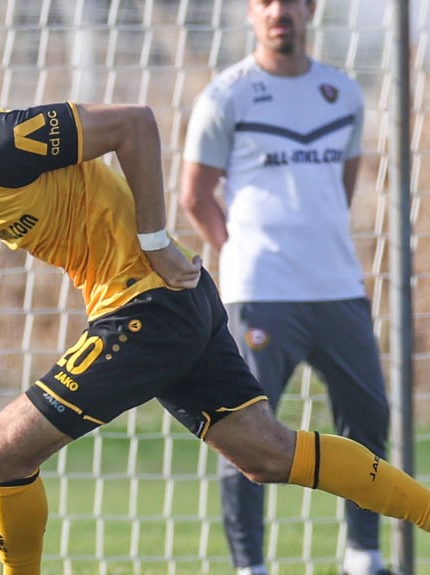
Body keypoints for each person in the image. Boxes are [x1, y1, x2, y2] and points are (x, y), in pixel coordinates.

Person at [0, 60, 430, 575]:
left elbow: (135, 123)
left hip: (145, 306)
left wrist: (156, 239)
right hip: (171, 305)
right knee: (268, 454)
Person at [179, 1, 392, 574]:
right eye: (266, 1)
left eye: (292, 1)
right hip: (261, 293)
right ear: (252, 13)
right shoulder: (226, 96)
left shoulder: (342, 93)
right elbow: (194, 195)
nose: (280, 12)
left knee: (369, 418)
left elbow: (341, 187)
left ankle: (363, 555)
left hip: (337, 288)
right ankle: (251, 566)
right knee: (246, 432)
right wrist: (241, 253)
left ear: (310, 9)